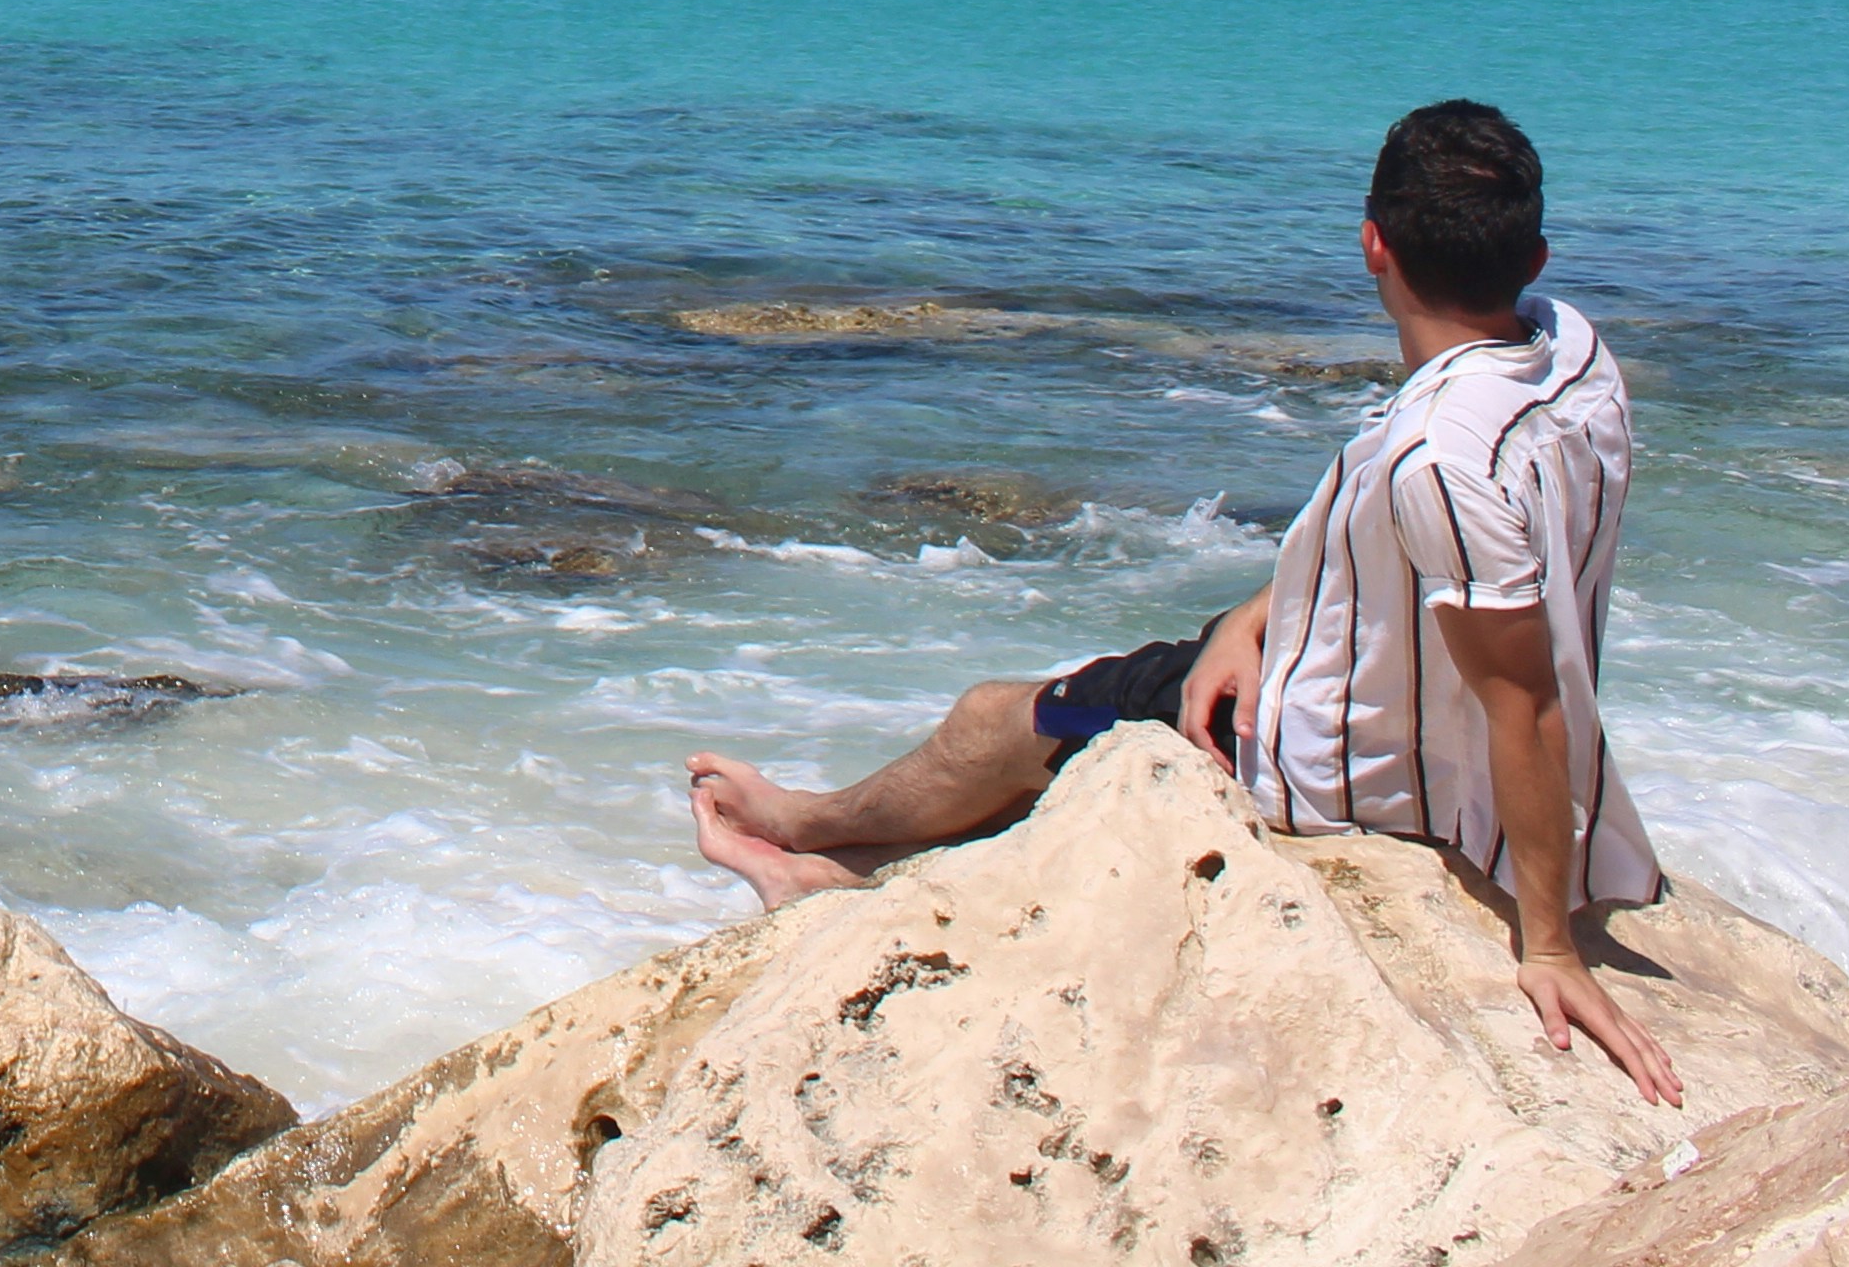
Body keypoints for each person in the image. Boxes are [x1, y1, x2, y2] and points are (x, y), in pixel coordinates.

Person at [679, 100, 1681, 1104]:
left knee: (999, 721)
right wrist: (1255, 619)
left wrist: (1547, 945)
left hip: (1341, 759)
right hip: (1354, 665)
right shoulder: (1575, 357)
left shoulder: (1441, 453)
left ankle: (808, 828)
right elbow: (1396, 548)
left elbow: (1528, 703)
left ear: (1373, 243)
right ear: (1538, 259)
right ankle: (839, 889)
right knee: (1107, 714)